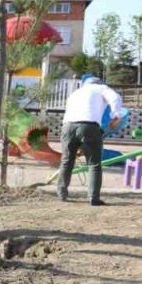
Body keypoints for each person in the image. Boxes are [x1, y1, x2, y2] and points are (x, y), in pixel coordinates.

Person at [57, 75, 123, 206]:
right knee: (94, 164)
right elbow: (116, 98)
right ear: (99, 83)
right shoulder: (101, 88)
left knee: (67, 161)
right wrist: (116, 115)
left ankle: (61, 193)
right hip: (89, 126)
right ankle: (93, 197)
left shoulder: (76, 93)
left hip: (67, 126)